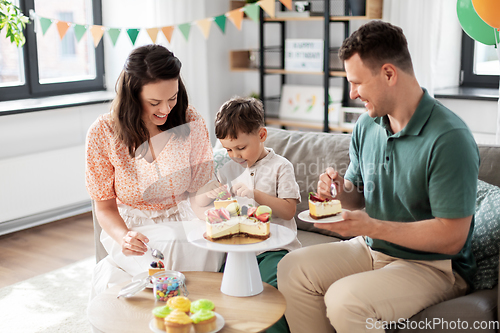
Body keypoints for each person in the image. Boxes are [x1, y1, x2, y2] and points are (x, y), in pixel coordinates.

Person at [277, 20, 480, 333]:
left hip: (434, 266)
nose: (352, 93)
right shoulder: (367, 126)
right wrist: (337, 192)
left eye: (357, 82)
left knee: (345, 300)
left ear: (388, 73)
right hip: (373, 248)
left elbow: (452, 237)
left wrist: (372, 226)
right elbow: (357, 197)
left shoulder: (449, 137)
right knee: (292, 268)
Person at [85, 44, 224, 297]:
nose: (165, 109)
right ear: (132, 96)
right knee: (167, 255)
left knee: (203, 249)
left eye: (172, 97)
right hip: (134, 227)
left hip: (185, 216)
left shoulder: (190, 120)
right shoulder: (102, 132)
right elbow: (104, 207)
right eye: (154, 102)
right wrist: (124, 236)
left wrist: (219, 217)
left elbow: (200, 192)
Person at [196, 96, 301, 333]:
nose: (235, 155)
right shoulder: (229, 168)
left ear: (261, 135)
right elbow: (201, 201)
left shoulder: (280, 166)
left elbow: (288, 210)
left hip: (274, 250)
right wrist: (213, 193)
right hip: (237, 251)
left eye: (241, 148)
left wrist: (256, 194)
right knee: (224, 297)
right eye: (228, 149)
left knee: (269, 298)